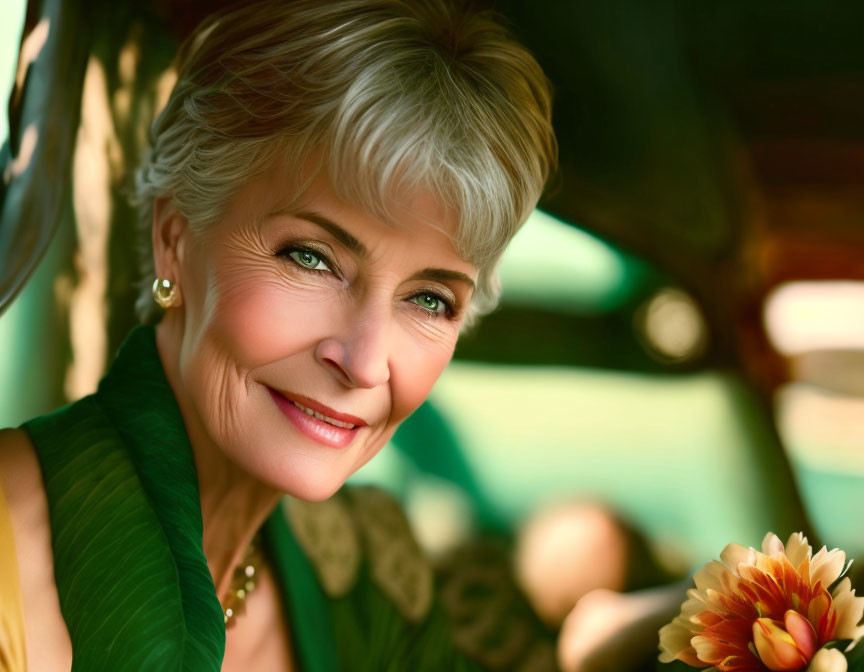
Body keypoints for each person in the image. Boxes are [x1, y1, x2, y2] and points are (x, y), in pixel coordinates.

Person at [0, 0, 556, 670]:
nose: (364, 362)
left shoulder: (374, 579)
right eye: (312, 257)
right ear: (174, 236)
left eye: (430, 299)